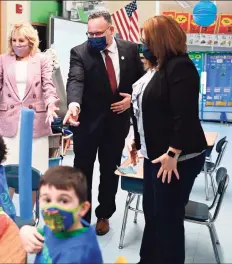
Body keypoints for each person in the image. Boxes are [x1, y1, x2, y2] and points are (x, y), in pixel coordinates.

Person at [129, 16, 207, 264]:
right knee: (152, 214)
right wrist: (137, 142)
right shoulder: (159, 68)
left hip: (177, 158)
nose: (143, 45)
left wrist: (173, 153)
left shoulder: (180, 66)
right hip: (156, 156)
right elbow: (148, 111)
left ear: (160, 40)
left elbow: (184, 116)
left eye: (147, 40)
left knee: (168, 219)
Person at [63, 11, 144, 235]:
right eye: (90, 33)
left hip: (116, 125)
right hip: (86, 125)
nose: (94, 37)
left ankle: (104, 214)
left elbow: (140, 82)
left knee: (109, 173)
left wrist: (132, 100)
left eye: (99, 33)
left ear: (112, 30)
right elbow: (75, 80)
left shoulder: (130, 49)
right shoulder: (80, 52)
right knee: (82, 173)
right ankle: (82, 218)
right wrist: (73, 106)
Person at [0, 22, 59, 198]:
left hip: (36, 123)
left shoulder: (41, 60)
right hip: (9, 123)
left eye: (21, 40)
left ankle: (31, 216)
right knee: (8, 172)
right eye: (14, 40)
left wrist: (51, 103)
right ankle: (7, 213)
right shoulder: (3, 59)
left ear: (30, 41)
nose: (17, 44)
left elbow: (48, 87)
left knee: (34, 173)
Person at [19, 166, 103, 264]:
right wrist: (24, 230)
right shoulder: (62, 224)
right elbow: (46, 231)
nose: (53, 208)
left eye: (64, 200)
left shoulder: (77, 256)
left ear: (83, 208)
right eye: (47, 200)